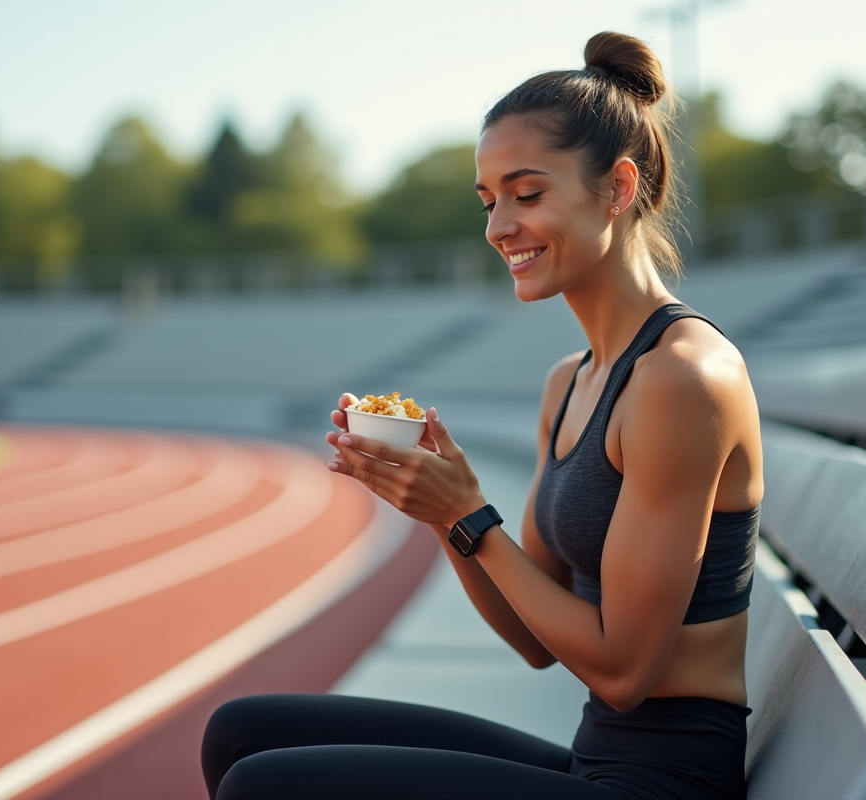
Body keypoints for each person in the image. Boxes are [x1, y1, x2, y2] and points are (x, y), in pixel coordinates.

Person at [202, 30, 762, 800]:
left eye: (526, 195)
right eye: (489, 200)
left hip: (664, 781)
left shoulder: (682, 378)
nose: (499, 227)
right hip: (596, 755)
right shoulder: (570, 381)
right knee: (240, 730)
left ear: (617, 187)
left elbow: (624, 672)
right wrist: (437, 508)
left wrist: (469, 514)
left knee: (263, 785)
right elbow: (535, 641)